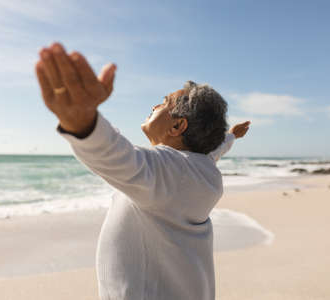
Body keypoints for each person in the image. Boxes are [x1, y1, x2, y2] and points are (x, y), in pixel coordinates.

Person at [35, 42, 250, 300]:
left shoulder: (167, 171)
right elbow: (213, 152)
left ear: (177, 126)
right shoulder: (200, 170)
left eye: (164, 103)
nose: (155, 107)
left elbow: (117, 157)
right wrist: (231, 137)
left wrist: (83, 122)